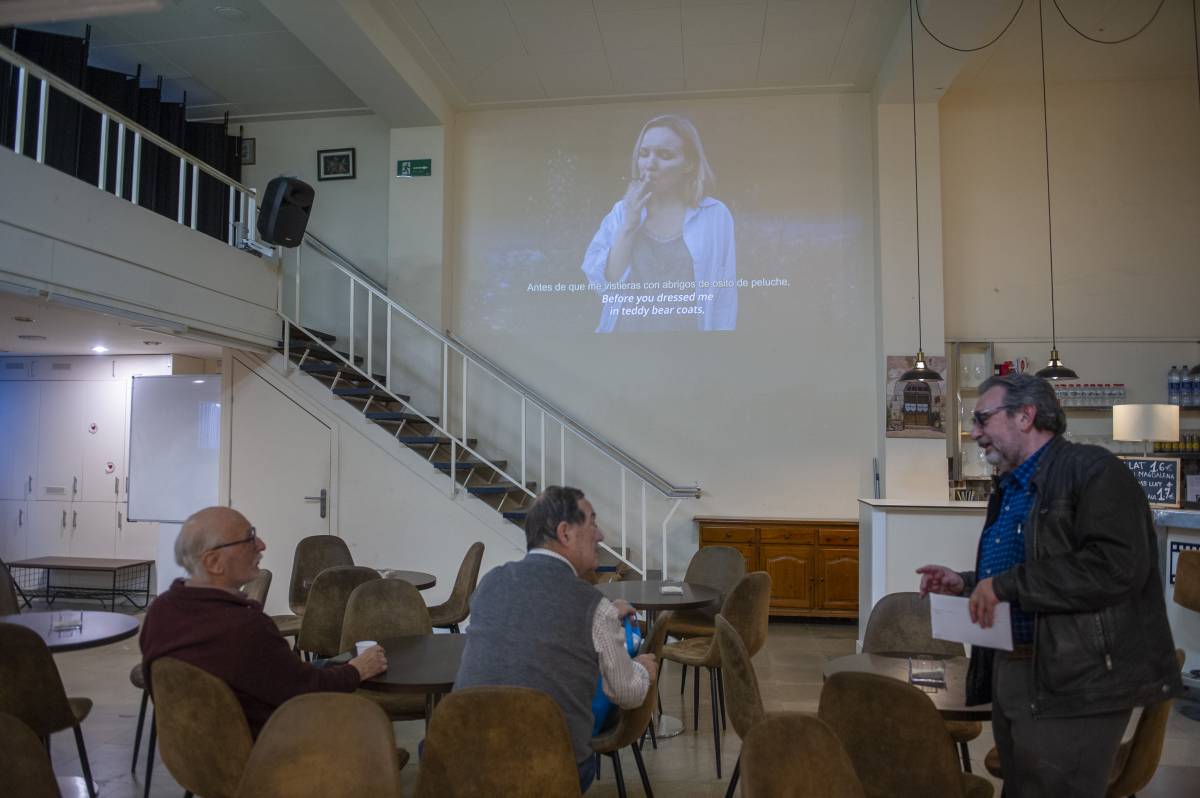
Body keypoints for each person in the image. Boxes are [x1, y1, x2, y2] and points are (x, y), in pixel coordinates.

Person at [916, 373, 1180, 797]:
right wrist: (967, 583)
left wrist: (1005, 585)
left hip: (1076, 677)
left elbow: (1116, 567)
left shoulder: (1094, 471)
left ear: (1026, 415)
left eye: (983, 418)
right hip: (1016, 669)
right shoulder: (1011, 486)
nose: (974, 432)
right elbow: (1033, 567)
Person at [454, 486, 658, 793]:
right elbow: (626, 693)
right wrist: (644, 667)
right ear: (565, 533)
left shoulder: (490, 583)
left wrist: (606, 615)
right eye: (592, 522)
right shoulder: (593, 608)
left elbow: (533, 618)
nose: (600, 535)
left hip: (459, 766)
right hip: (546, 772)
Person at [140, 506, 387, 736]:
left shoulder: (160, 612)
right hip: (270, 756)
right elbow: (306, 689)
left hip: (200, 761)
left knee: (327, 664)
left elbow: (282, 678)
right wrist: (357, 669)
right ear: (214, 562)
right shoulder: (245, 627)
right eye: (249, 538)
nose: (261, 545)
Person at [581, 114, 736, 333]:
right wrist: (629, 224)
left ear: (689, 164)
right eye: (644, 154)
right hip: (624, 343)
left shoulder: (715, 215)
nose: (650, 164)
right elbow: (607, 285)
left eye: (665, 155)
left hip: (691, 344)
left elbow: (725, 295)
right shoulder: (620, 211)